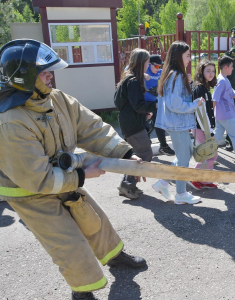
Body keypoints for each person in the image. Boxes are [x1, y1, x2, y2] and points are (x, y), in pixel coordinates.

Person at [0, 39, 146, 300]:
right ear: (24, 78)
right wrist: (80, 175)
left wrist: (125, 154)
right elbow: (37, 179)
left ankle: (114, 256)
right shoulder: (11, 121)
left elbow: (91, 128)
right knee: (69, 244)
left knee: (94, 220)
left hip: (61, 177)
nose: (50, 75)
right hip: (29, 193)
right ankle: (83, 291)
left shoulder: (56, 100)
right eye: (43, 72)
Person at [154, 41, 205, 205]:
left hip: (177, 123)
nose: (190, 59)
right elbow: (175, 104)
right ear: (178, 57)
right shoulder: (176, 75)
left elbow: (175, 99)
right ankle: (181, 194)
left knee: (186, 154)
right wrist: (194, 105)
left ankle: (163, 182)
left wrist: (187, 85)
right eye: (187, 55)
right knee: (183, 160)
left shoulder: (173, 75)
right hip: (177, 123)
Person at [115, 49, 158, 200]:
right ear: (141, 62)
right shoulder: (133, 81)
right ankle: (127, 186)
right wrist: (154, 106)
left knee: (137, 155)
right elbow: (138, 105)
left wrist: (142, 113)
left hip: (130, 122)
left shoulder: (128, 79)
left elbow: (123, 103)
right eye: (147, 61)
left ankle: (127, 185)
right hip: (133, 124)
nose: (148, 64)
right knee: (144, 153)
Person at [188, 60, 218, 190]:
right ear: (202, 72)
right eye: (208, 71)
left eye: (213, 71)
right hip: (201, 127)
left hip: (203, 127)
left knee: (209, 154)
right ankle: (194, 177)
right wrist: (208, 130)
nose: (211, 74)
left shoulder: (205, 87)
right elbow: (200, 111)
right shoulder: (199, 88)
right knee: (210, 153)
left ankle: (204, 180)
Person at [144, 55, 175, 156]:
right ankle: (146, 146)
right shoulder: (145, 70)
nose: (158, 69)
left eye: (159, 66)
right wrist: (143, 75)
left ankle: (163, 146)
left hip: (154, 102)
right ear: (149, 64)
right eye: (156, 66)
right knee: (145, 125)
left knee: (159, 123)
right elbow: (130, 71)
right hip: (143, 103)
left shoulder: (160, 72)